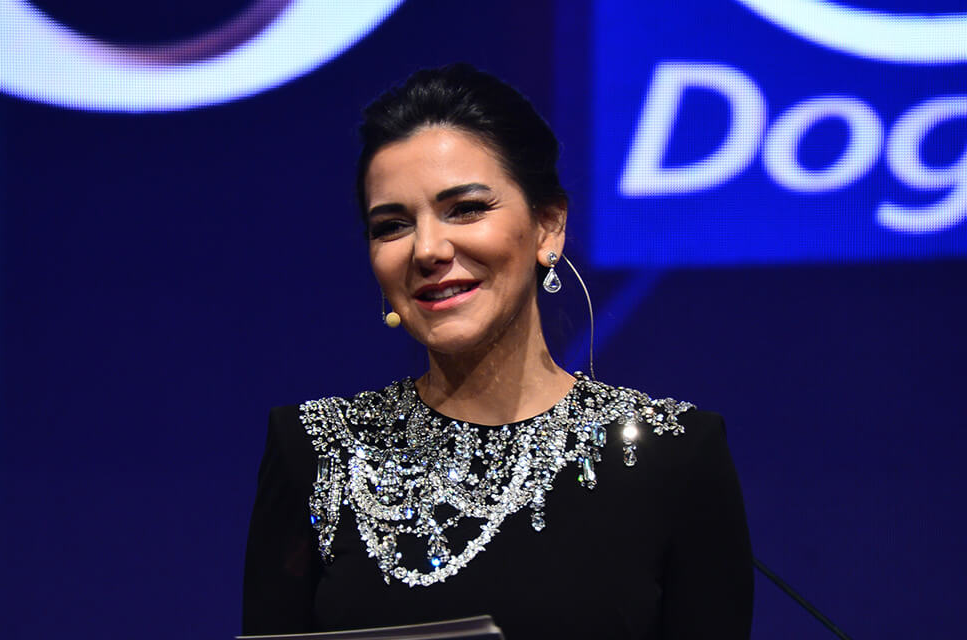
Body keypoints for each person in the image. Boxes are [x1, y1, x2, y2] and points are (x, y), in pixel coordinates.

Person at [242, 64, 753, 639]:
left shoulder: (675, 455)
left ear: (548, 226)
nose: (427, 249)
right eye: (392, 225)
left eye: (465, 209)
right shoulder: (314, 452)